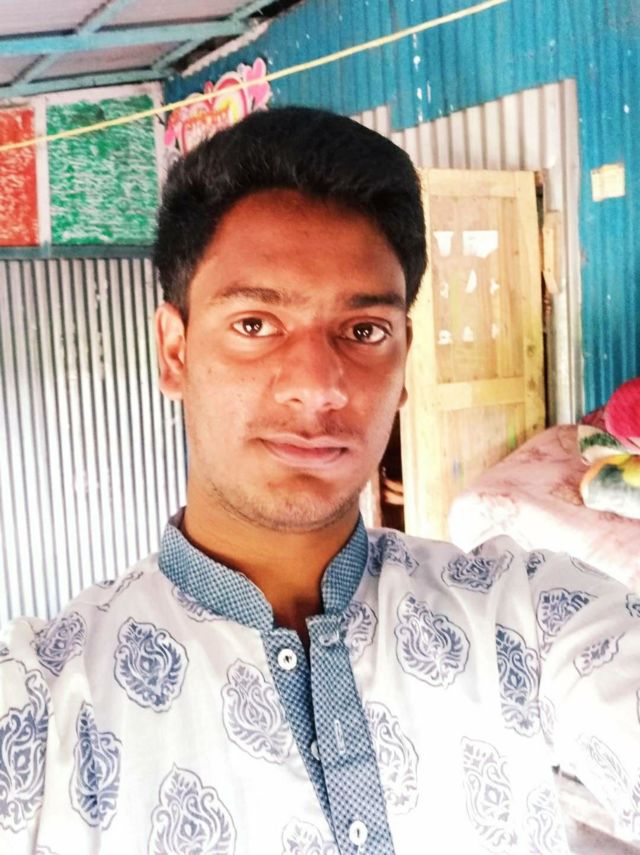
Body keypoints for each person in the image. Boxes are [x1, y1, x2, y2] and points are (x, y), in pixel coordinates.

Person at [0, 107, 638, 855]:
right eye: (255, 325)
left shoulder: (526, 619)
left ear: (403, 362)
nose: (318, 385)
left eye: (364, 331)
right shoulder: (42, 702)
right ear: (175, 351)